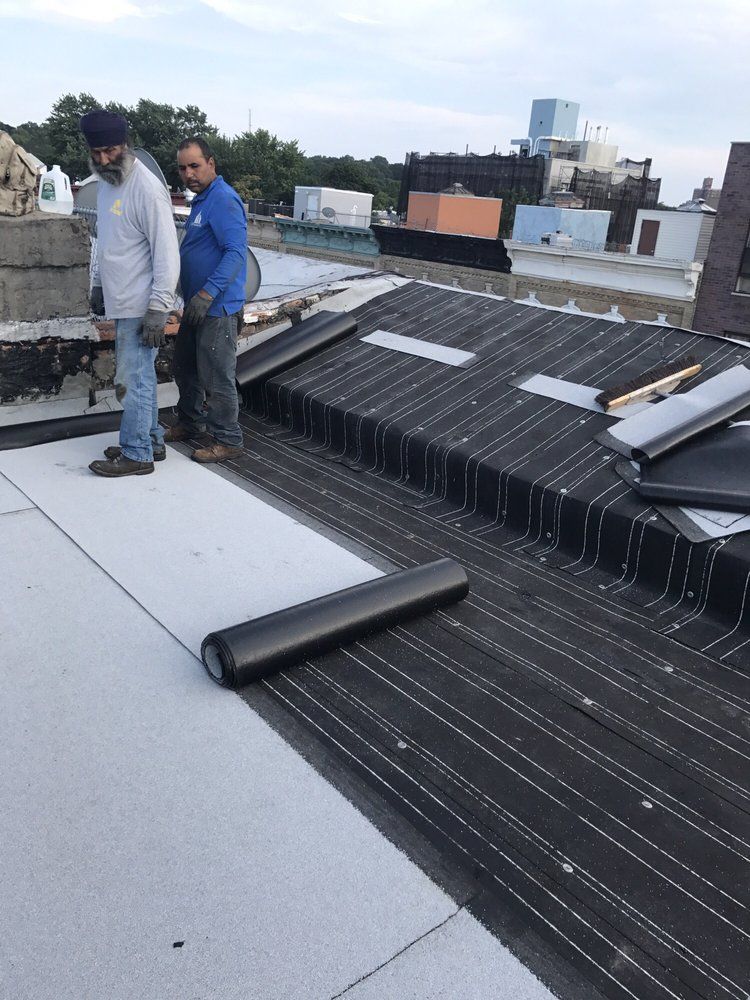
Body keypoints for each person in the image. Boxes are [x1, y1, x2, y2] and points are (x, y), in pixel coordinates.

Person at [81, 109, 180, 478]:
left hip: (142, 305)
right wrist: (99, 285)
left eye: (110, 150)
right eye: (97, 153)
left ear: (125, 144)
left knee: (132, 380)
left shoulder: (147, 188)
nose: (104, 159)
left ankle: (137, 453)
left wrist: (159, 308)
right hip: (121, 300)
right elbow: (110, 243)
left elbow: (168, 253)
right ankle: (150, 439)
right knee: (142, 377)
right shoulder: (107, 183)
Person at [166, 137, 247, 463]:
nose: (188, 174)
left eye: (195, 166)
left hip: (217, 308)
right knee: (185, 368)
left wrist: (206, 293)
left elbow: (236, 253)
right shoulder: (203, 200)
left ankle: (229, 440)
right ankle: (190, 423)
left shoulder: (224, 200)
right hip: (197, 306)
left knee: (216, 377)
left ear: (211, 164)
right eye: (183, 168)